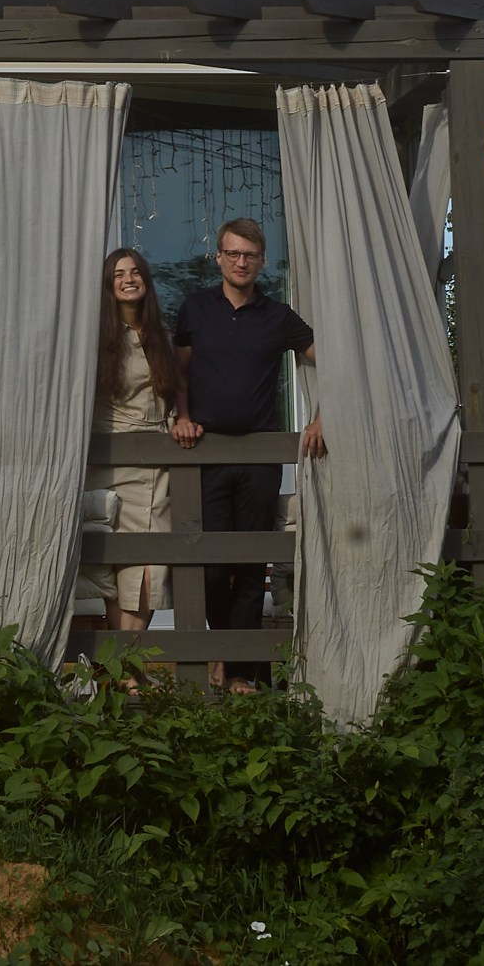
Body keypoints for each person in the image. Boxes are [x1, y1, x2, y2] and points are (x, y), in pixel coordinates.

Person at [170, 217, 325, 692]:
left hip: (261, 454)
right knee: (211, 564)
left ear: (261, 261)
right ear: (218, 257)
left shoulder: (279, 316)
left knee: (252, 562)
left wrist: (322, 416)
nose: (241, 262)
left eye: (250, 255)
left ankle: (239, 673)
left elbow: (333, 358)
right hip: (205, 452)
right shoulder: (195, 307)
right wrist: (181, 414)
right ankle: (226, 651)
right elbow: (178, 372)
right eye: (233, 254)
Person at [81, 248, 179, 631]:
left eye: (135, 271)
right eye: (119, 273)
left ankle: (125, 666)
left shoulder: (161, 335)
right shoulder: (94, 339)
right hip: (109, 462)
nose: (128, 278)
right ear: (108, 285)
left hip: (155, 464)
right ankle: (121, 669)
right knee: (109, 566)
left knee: (148, 564)